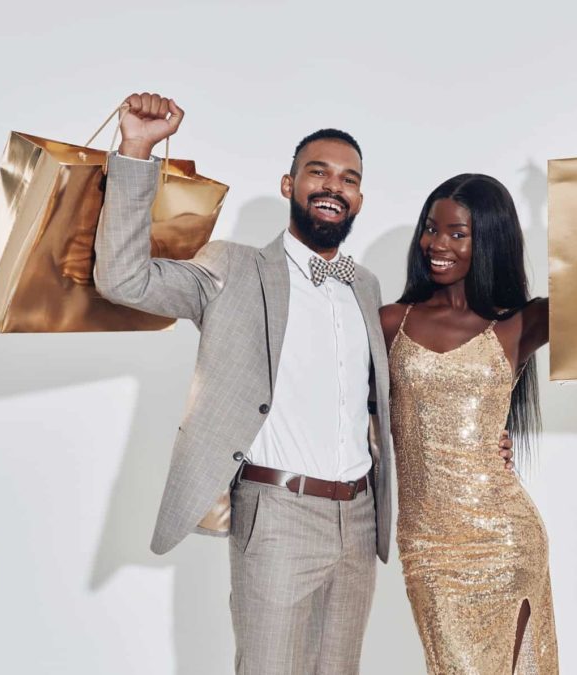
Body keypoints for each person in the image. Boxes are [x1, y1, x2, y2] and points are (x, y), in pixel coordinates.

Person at [93, 92, 513, 675]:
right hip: (278, 513)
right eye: (318, 172)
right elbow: (124, 279)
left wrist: (482, 438)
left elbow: (408, 387)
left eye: (348, 178)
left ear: (359, 198)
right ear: (289, 184)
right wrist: (138, 148)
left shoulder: (364, 286)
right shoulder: (232, 267)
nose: (333, 186)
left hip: (359, 517)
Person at [378, 79, 577, 674]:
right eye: (432, 227)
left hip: (506, 540)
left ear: (491, 240)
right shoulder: (389, 322)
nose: (437, 244)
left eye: (458, 233)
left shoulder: (517, 324)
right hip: (427, 548)